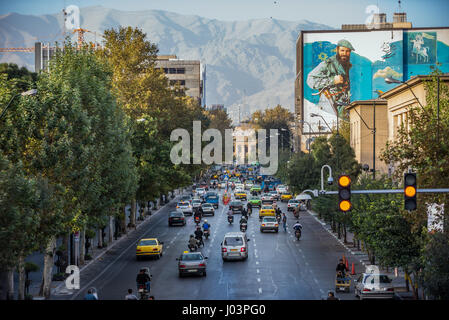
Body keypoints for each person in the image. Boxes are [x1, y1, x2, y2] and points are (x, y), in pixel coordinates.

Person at [306, 39, 355, 117]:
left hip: (343, 106)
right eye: (342, 50)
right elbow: (310, 80)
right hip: (329, 106)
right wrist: (332, 80)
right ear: (337, 50)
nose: (345, 54)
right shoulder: (327, 64)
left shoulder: (348, 66)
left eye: (347, 51)